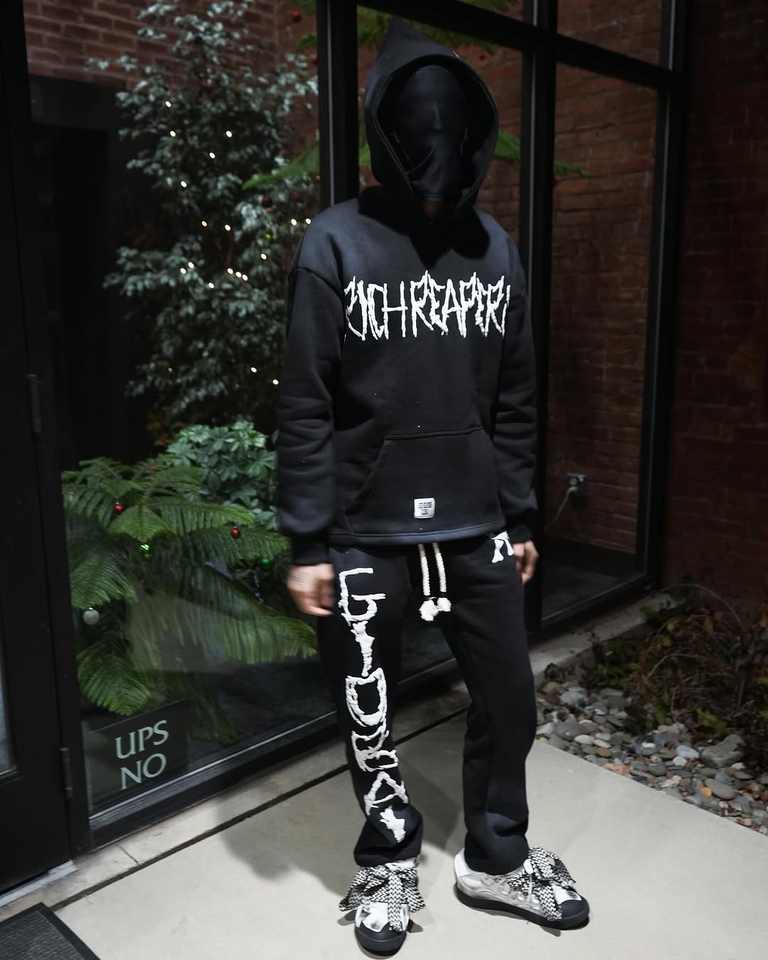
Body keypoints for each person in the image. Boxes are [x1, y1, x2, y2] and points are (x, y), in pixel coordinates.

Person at [275, 16, 589, 955]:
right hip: (364, 532)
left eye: (454, 124)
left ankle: (495, 856)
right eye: (418, 124)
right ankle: (388, 855)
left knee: (509, 699)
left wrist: (521, 516)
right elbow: (305, 402)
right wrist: (308, 541)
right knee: (368, 708)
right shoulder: (334, 243)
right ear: (384, 130)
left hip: (477, 525)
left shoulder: (496, 249)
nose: (436, 140)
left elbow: (516, 400)